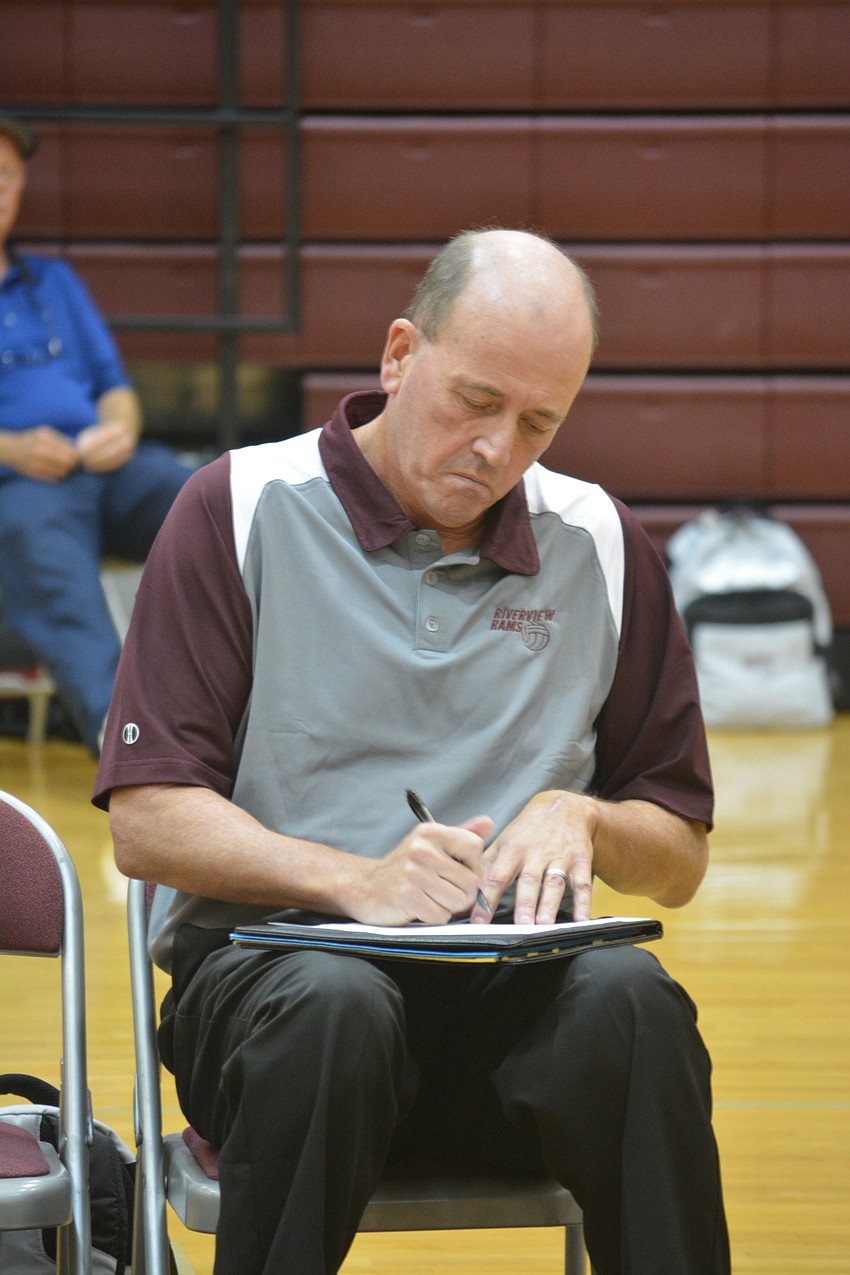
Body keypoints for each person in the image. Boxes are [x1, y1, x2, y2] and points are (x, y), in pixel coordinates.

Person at [94, 227, 730, 1274]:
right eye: (475, 403)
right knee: (335, 1008)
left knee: (635, 1006)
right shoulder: (235, 507)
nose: (499, 450)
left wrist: (587, 817)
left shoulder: (603, 543)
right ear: (399, 355)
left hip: (509, 1017)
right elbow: (148, 818)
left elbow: (679, 859)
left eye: (538, 422)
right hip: (275, 999)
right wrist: (355, 882)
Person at [0, 114, 191, 754]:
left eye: (5, 177)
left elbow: (114, 384)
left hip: (104, 470)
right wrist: (14, 449)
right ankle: (128, 746)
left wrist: (119, 429)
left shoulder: (53, 282)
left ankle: (255, 703)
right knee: (53, 567)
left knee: (210, 496)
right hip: (20, 487)